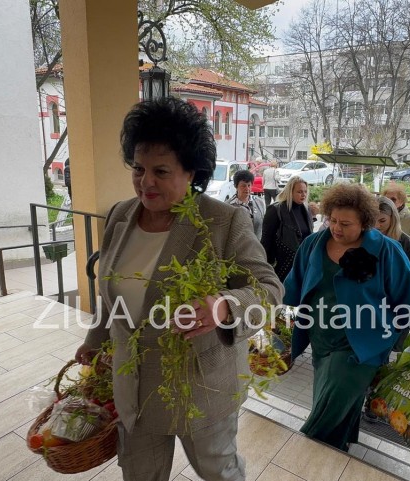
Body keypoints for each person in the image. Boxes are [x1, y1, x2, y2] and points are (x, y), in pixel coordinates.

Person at [74, 97, 283, 481]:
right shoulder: (121, 216)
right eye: (138, 168)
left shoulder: (222, 222)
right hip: (134, 386)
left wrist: (223, 306)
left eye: (161, 171)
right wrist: (95, 339)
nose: (145, 182)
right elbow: (114, 294)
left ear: (191, 173)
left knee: (218, 470)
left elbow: (269, 290)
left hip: (202, 387)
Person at [283, 183, 410, 451]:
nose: (336, 228)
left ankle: (302, 456)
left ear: (365, 224)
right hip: (321, 340)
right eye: (332, 220)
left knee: (326, 410)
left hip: (364, 345)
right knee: (332, 400)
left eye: (346, 224)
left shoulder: (386, 250)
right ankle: (337, 455)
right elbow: (293, 285)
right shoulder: (313, 244)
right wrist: (280, 319)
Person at [261, 176, 313, 282]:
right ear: (290, 192)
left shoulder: (305, 210)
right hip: (281, 266)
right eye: (299, 192)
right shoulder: (276, 210)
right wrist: (267, 266)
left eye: (305, 191)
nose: (303, 195)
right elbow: (266, 241)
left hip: (301, 265)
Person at [375, 196, 410, 270]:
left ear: (393, 219)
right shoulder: (362, 238)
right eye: (372, 221)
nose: (376, 226)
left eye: (382, 221)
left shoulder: (406, 242)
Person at [227, 169, 265, 238]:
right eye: (243, 186)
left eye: (249, 185)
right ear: (236, 186)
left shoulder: (259, 202)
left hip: (256, 245)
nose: (247, 189)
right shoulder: (228, 206)